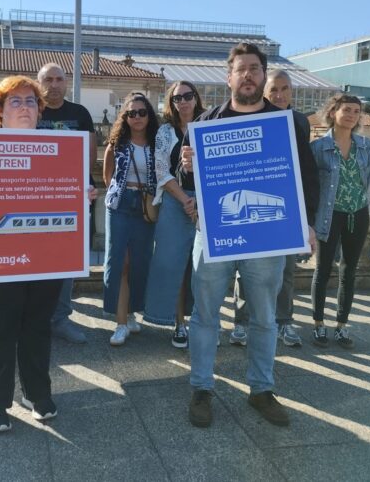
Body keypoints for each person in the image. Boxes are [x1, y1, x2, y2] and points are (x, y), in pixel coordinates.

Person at [0, 75, 97, 433]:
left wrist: (83, 195)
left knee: (37, 325)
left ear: (39, 111)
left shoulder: (59, 147)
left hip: (45, 256)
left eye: (30, 102)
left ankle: (36, 393)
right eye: (15, 102)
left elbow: (76, 190)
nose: (24, 108)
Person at [180, 43, 319, 429]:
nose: (248, 75)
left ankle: (261, 390)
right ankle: (201, 388)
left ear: (263, 75)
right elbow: (189, 181)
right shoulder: (206, 122)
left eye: (255, 69)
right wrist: (188, 165)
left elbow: (306, 179)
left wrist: (307, 225)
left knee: (263, 317)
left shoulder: (288, 123)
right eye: (240, 69)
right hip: (214, 237)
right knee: (205, 314)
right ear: (229, 77)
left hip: (268, 241)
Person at [230, 69, 310, 348]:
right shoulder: (250, 117)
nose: (279, 95)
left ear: (291, 92)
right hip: (254, 206)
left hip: (284, 207)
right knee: (244, 268)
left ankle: (284, 321)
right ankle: (241, 322)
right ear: (264, 92)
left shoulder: (300, 121)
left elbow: (304, 169)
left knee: (286, 269)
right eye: (274, 89)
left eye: (284, 89)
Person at [309, 94, 370, 350]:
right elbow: (313, 186)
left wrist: (366, 210)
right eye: (346, 109)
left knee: (349, 270)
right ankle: (318, 324)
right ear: (333, 111)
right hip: (329, 214)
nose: (351, 115)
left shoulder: (366, 146)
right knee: (323, 269)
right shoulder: (318, 147)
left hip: (357, 213)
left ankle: (342, 325)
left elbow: (368, 180)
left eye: (356, 111)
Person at [37, 62, 96, 344]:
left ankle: (60, 318)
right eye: (48, 79)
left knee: (67, 262)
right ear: (39, 82)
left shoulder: (79, 114)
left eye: (59, 79)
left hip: (70, 198)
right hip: (34, 198)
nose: (54, 84)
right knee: (35, 260)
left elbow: (89, 157)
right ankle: (36, 319)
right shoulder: (30, 111)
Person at [143, 81, 205, 348]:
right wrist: (186, 200)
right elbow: (161, 172)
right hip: (174, 201)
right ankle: (179, 323)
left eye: (188, 96)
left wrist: (200, 201)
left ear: (196, 98)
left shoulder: (209, 124)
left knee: (206, 270)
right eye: (177, 97)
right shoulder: (164, 132)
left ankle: (205, 324)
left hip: (207, 204)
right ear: (171, 102)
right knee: (173, 267)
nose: (183, 101)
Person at [103, 92, 159, 346]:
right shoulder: (117, 143)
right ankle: (120, 322)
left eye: (142, 112)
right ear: (124, 117)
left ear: (149, 115)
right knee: (119, 263)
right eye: (131, 113)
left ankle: (132, 311)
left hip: (146, 206)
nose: (137, 117)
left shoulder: (158, 143)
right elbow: (107, 176)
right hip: (120, 204)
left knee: (140, 262)